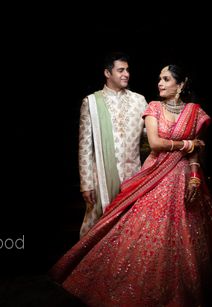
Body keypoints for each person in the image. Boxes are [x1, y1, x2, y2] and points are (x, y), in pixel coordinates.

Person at [50, 64, 212, 306]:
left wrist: (194, 174)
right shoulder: (153, 107)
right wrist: (187, 144)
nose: (159, 83)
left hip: (182, 177)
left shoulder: (195, 112)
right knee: (144, 232)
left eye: (165, 79)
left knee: (184, 236)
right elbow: (155, 143)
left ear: (180, 84)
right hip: (154, 174)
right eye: (159, 78)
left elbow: (197, 152)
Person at [78, 51, 148, 238]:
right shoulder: (91, 102)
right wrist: (86, 183)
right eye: (121, 70)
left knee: (129, 230)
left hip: (133, 177)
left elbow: (150, 136)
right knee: (96, 230)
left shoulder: (139, 100)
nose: (126, 74)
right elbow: (85, 146)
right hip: (101, 177)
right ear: (108, 73)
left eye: (127, 70)